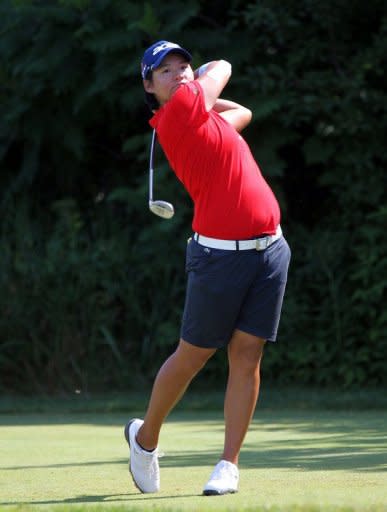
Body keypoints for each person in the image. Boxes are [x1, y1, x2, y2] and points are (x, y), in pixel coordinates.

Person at [124, 40, 291, 496]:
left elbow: (245, 113)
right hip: (219, 257)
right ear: (149, 86)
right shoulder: (178, 114)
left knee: (248, 353)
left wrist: (205, 100)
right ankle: (145, 438)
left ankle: (228, 464)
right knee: (193, 356)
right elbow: (225, 63)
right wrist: (201, 86)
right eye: (166, 71)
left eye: (183, 66)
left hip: (270, 250)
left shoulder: (199, 115)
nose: (179, 74)